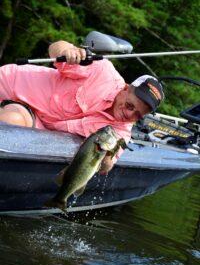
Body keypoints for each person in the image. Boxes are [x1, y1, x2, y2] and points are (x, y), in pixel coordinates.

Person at [0, 40, 164, 173]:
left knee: (13, 120)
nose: (130, 116)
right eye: (130, 106)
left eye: (137, 116)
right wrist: (68, 50)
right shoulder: (102, 70)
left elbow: (106, 167)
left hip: (30, 116)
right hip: (9, 84)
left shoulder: (122, 132)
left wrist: (106, 160)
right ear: (126, 88)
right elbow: (55, 47)